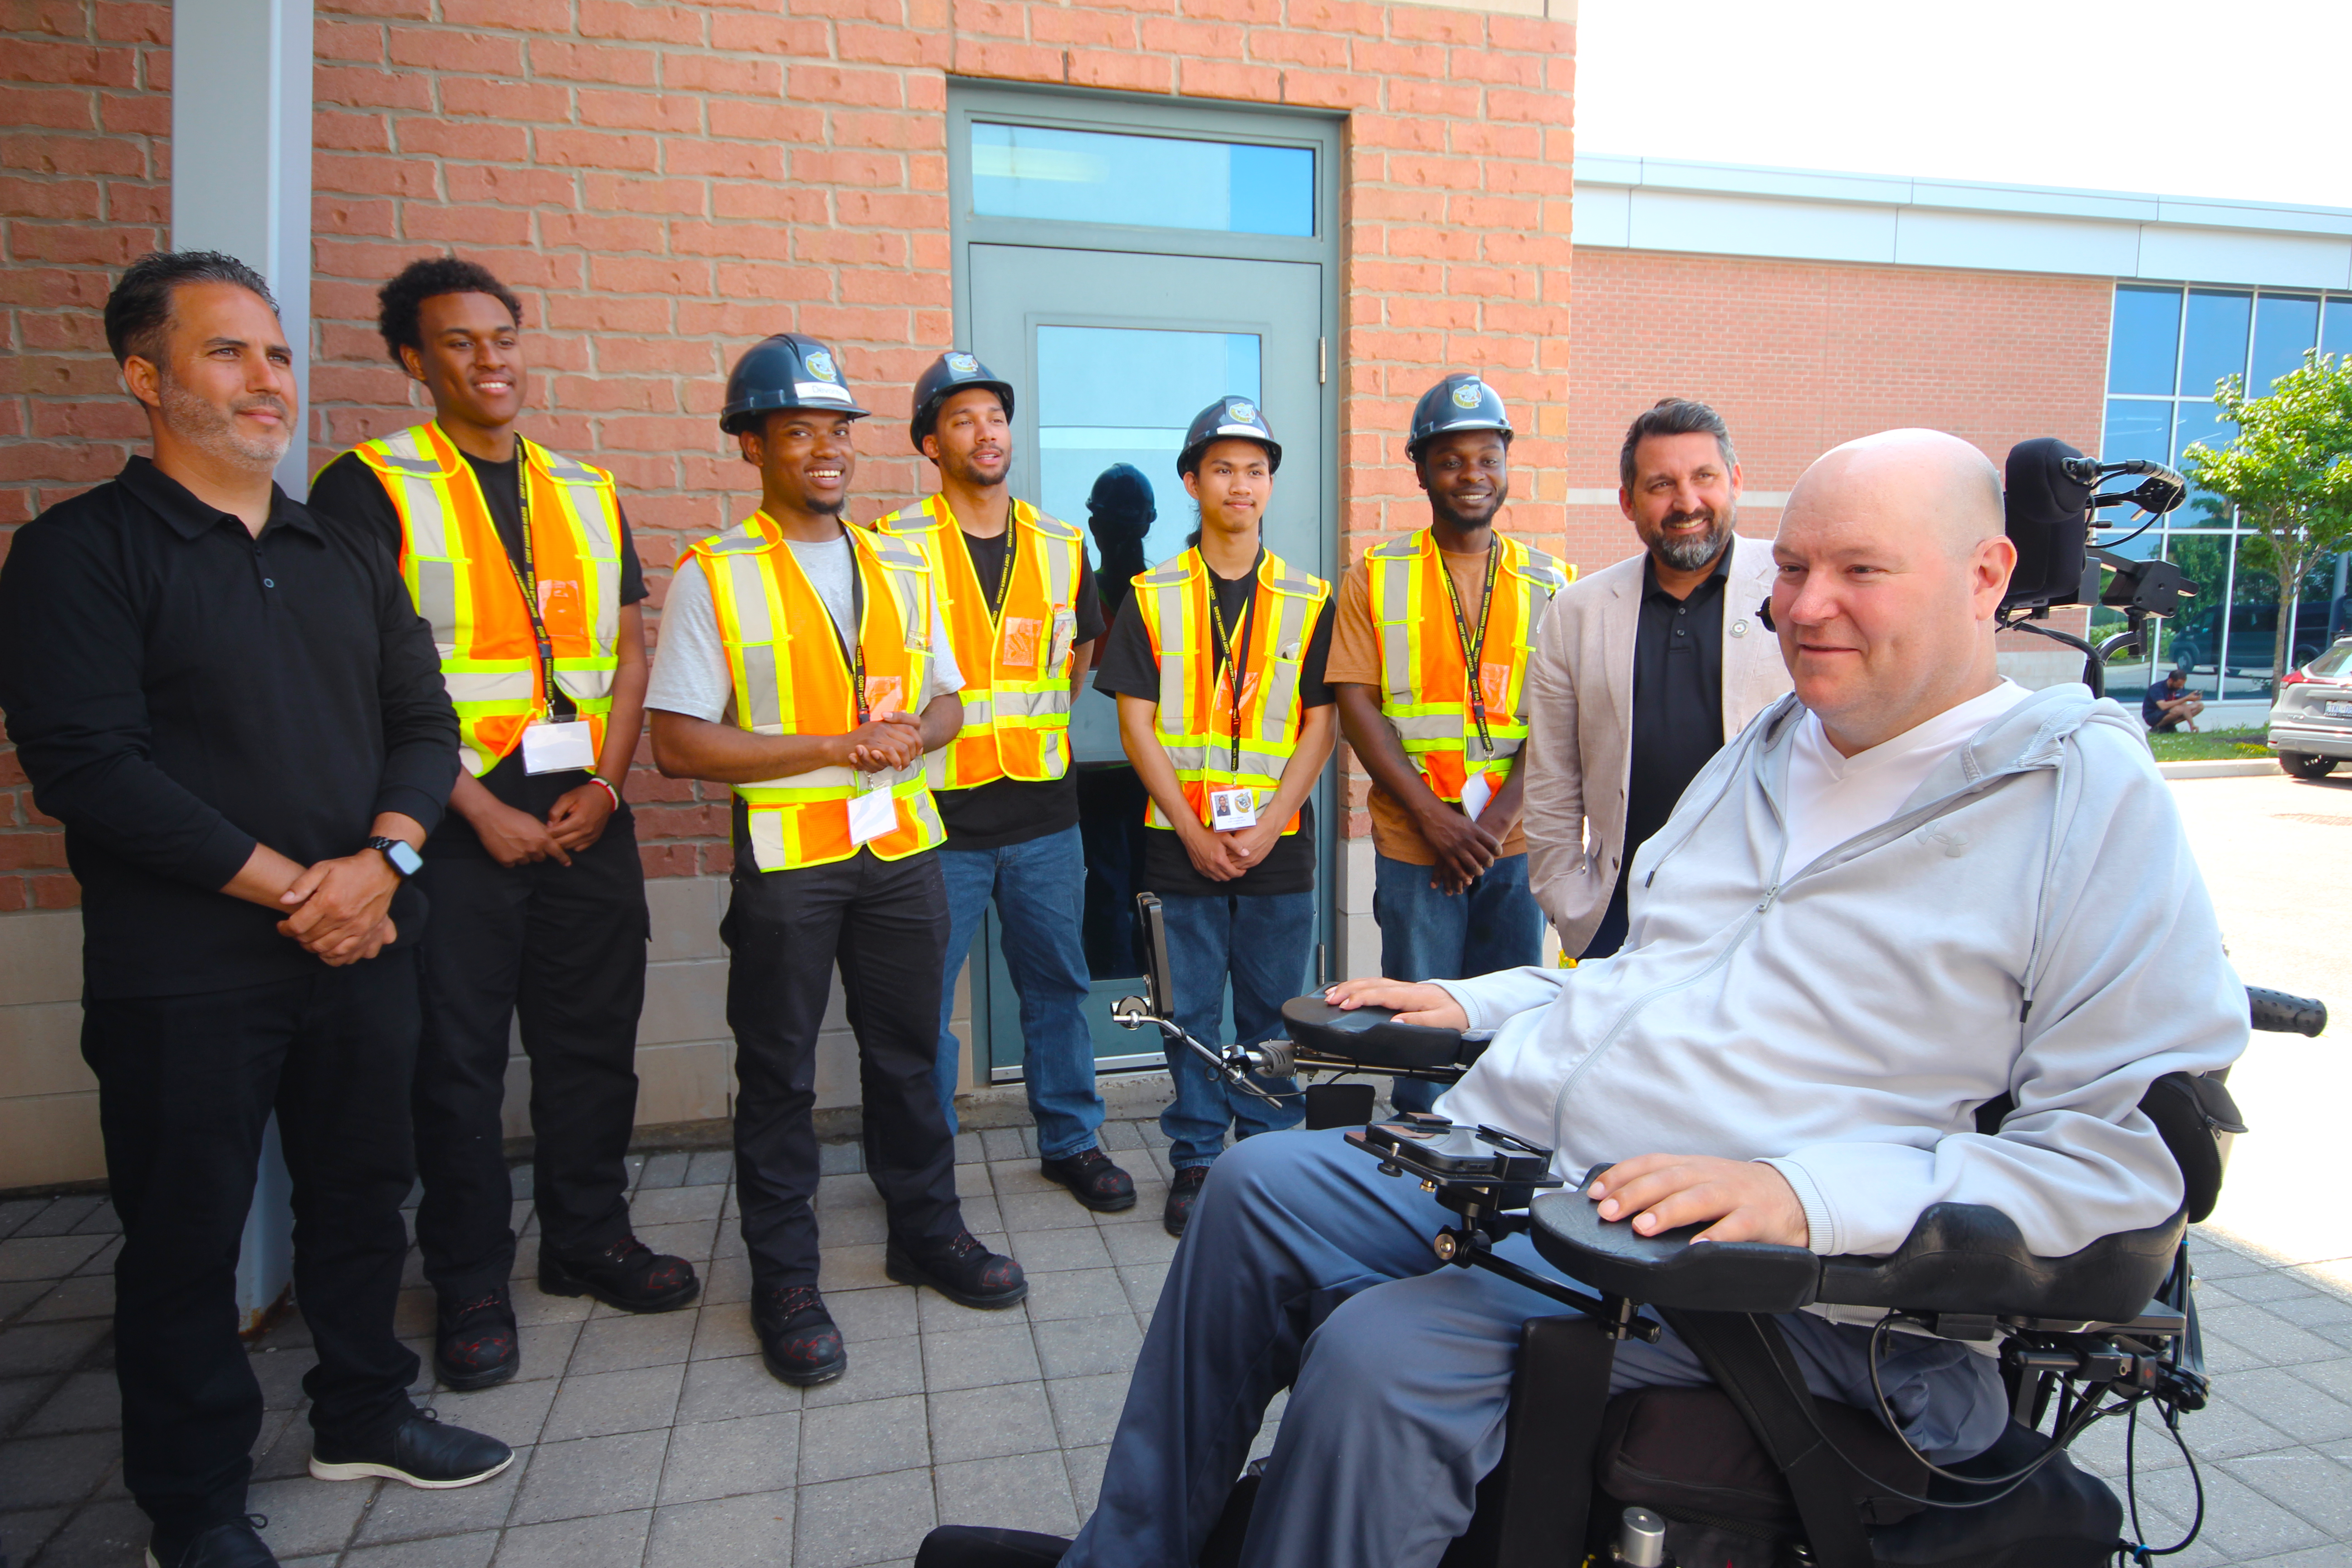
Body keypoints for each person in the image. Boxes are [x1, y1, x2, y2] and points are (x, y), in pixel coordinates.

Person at [921, 427, 2250, 1568]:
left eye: (1860, 573)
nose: (1804, 607)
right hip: (1550, 1158)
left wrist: (1806, 1196)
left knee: (1384, 1359)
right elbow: (1644, 975)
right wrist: (1480, 1005)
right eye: (1791, 570)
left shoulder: (2075, 796)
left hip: (1765, 1273)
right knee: (1259, 1194)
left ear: (1987, 575)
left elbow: (2121, 1164)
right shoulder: (1779, 748)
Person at [0, 253, 512, 1568]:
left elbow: (424, 722)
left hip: (362, 949)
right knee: (185, 1241)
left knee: (360, 1198)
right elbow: (90, 769)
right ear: (145, 380)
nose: (265, 378)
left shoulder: (338, 547)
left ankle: (362, 1411)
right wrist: (304, 887)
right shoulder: (77, 555)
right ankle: (196, 1503)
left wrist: (383, 863)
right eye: (227, 353)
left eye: (277, 354)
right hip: (187, 975)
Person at [306, 258, 695, 1393]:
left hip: (586, 813)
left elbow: (626, 651)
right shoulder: (366, 486)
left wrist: (612, 788)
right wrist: (467, 803)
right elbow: (364, 672)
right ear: (412, 362)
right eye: (461, 344)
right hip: (450, 823)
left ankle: (588, 1237)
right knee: (456, 1065)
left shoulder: (584, 486)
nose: (491, 361)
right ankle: (472, 1276)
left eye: (504, 337)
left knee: (590, 1048)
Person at [647, 333, 1025, 1389]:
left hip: (903, 851)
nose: (825, 449)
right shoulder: (714, 574)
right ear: (753, 447)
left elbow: (950, 698)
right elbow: (676, 740)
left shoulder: (901, 561)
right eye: (798, 431)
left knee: (911, 1056)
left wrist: (919, 732)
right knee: (777, 1075)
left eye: (837, 431)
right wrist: (832, 745)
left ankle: (927, 1231)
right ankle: (786, 1278)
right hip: (791, 865)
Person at [874, 351, 1137, 1213]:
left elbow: (1077, 658)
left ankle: (1071, 1139)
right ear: (929, 443)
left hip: (1041, 813)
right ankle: (922, 1166)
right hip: (934, 815)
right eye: (961, 420)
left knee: (1057, 984)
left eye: (995, 417)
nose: (984, 433)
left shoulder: (1062, 543)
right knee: (918, 1003)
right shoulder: (891, 547)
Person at [1089, 397, 1338, 1236]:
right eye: (1222, 468)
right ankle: (1196, 1158)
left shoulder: (1310, 597)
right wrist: (1194, 831)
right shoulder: (1150, 594)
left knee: (1273, 1014)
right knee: (1187, 1011)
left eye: (1255, 470)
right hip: (1177, 845)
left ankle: (1264, 1155)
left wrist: (1269, 823)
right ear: (1191, 482)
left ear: (1270, 486)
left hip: (1276, 845)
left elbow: (1319, 724)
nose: (1240, 484)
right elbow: (1135, 724)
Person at [1326, 373, 1570, 1114]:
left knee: (1505, 1019)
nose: (1471, 475)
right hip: (1413, 842)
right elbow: (1353, 701)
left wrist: (1490, 826)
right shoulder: (1375, 574)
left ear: (1506, 463)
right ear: (1420, 469)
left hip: (1515, 842)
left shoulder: (1552, 582)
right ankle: (1417, 1155)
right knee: (1417, 1022)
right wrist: (1436, 820)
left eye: (1486, 458)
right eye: (1450, 460)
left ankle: (1495, 1153)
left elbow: (1561, 716)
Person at [1524, 397, 1790, 959]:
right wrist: (1567, 903)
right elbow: (1552, 780)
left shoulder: (1795, 591)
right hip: (1622, 922)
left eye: (1704, 477)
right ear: (1628, 502)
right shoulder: (1577, 612)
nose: (1686, 502)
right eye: (1661, 485)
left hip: (1766, 919)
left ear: (1736, 480)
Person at [2143, 667, 2204, 733]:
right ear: (2171, 681)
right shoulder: (2157, 688)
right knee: (2179, 709)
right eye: (2179, 685)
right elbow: (2163, 706)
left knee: (2199, 706)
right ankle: (2157, 728)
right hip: (2153, 715)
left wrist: (2192, 725)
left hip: (2171, 712)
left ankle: (2170, 726)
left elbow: (2185, 707)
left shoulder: (2179, 688)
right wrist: (2186, 698)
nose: (2181, 687)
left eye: (2183, 685)